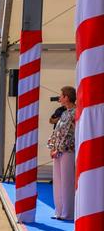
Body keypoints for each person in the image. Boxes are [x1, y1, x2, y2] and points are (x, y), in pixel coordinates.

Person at [47, 86, 76, 220]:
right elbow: (57, 132)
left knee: (67, 181)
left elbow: (71, 134)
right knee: (58, 182)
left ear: (67, 97)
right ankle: (58, 210)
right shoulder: (64, 113)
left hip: (68, 150)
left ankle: (68, 212)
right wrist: (52, 147)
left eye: (61, 96)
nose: (59, 98)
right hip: (58, 151)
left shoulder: (76, 112)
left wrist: (58, 149)